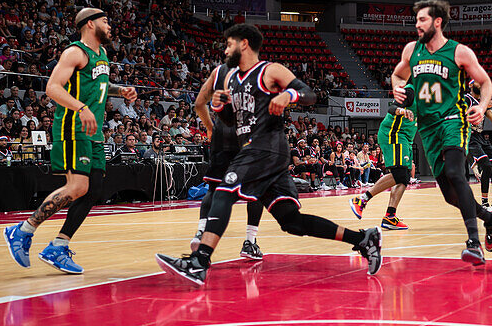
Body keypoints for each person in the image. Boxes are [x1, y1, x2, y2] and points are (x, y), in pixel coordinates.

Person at [156, 24, 382, 285]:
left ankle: (199, 262)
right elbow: (233, 121)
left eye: (229, 44)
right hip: (256, 151)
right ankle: (363, 239)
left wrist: (288, 94)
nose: (225, 49)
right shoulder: (231, 80)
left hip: (266, 146)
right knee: (291, 221)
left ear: (243, 44)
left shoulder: (269, 70)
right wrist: (221, 108)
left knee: (224, 189)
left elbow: (309, 94)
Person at [3, 7, 138, 274]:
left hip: (94, 132)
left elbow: (98, 84)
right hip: (73, 126)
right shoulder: (74, 52)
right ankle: (22, 230)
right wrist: (81, 107)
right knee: (77, 187)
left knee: (94, 190)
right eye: (105, 21)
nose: (110, 26)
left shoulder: (102, 54)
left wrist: (119, 89)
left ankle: (58, 246)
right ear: (90, 24)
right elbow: (52, 88)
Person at [390, 0, 492, 264]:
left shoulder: (459, 52)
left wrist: (483, 106)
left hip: (454, 119)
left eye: (422, 20)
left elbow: (485, 82)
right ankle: (491, 218)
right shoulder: (411, 50)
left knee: (455, 172)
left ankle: (474, 244)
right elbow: (397, 76)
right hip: (427, 126)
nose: (417, 25)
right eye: (416, 20)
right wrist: (397, 88)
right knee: (450, 195)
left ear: (437, 22)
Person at [192, 55, 265, 261]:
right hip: (247, 136)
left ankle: (201, 231)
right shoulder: (260, 73)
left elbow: (198, 104)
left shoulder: (219, 72)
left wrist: (209, 128)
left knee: (214, 189)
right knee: (255, 191)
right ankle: (250, 242)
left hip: (221, 135)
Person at [351, 102, 417, 230]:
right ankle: (361, 200)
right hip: (394, 135)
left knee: (404, 178)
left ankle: (390, 217)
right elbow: (392, 108)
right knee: (400, 174)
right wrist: (403, 111)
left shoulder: (429, 97)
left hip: (406, 138)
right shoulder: (411, 90)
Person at [464, 81, 492, 209]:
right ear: (471, 85)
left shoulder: (483, 103)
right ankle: (484, 203)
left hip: (480, 137)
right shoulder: (467, 99)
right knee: (487, 167)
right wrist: (483, 106)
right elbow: (462, 114)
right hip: (470, 136)